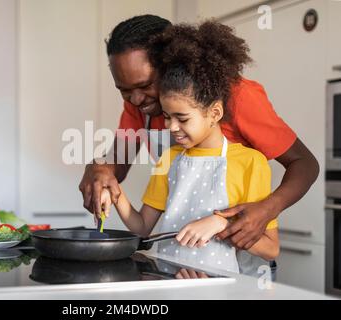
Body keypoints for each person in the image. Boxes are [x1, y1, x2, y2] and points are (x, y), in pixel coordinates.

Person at [79, 14, 319, 251]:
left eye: (145, 85)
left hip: (239, 252)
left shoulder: (234, 96)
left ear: (172, 64)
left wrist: (268, 208)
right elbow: (118, 162)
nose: (136, 99)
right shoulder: (139, 104)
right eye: (124, 90)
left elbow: (304, 163)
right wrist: (99, 169)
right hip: (186, 260)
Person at [99, 21, 279, 273]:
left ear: (215, 112)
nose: (171, 127)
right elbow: (141, 227)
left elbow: (271, 249)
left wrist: (221, 225)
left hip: (227, 287)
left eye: (182, 119)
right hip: (173, 279)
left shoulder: (250, 163)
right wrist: (113, 189)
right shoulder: (169, 159)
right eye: (167, 117)